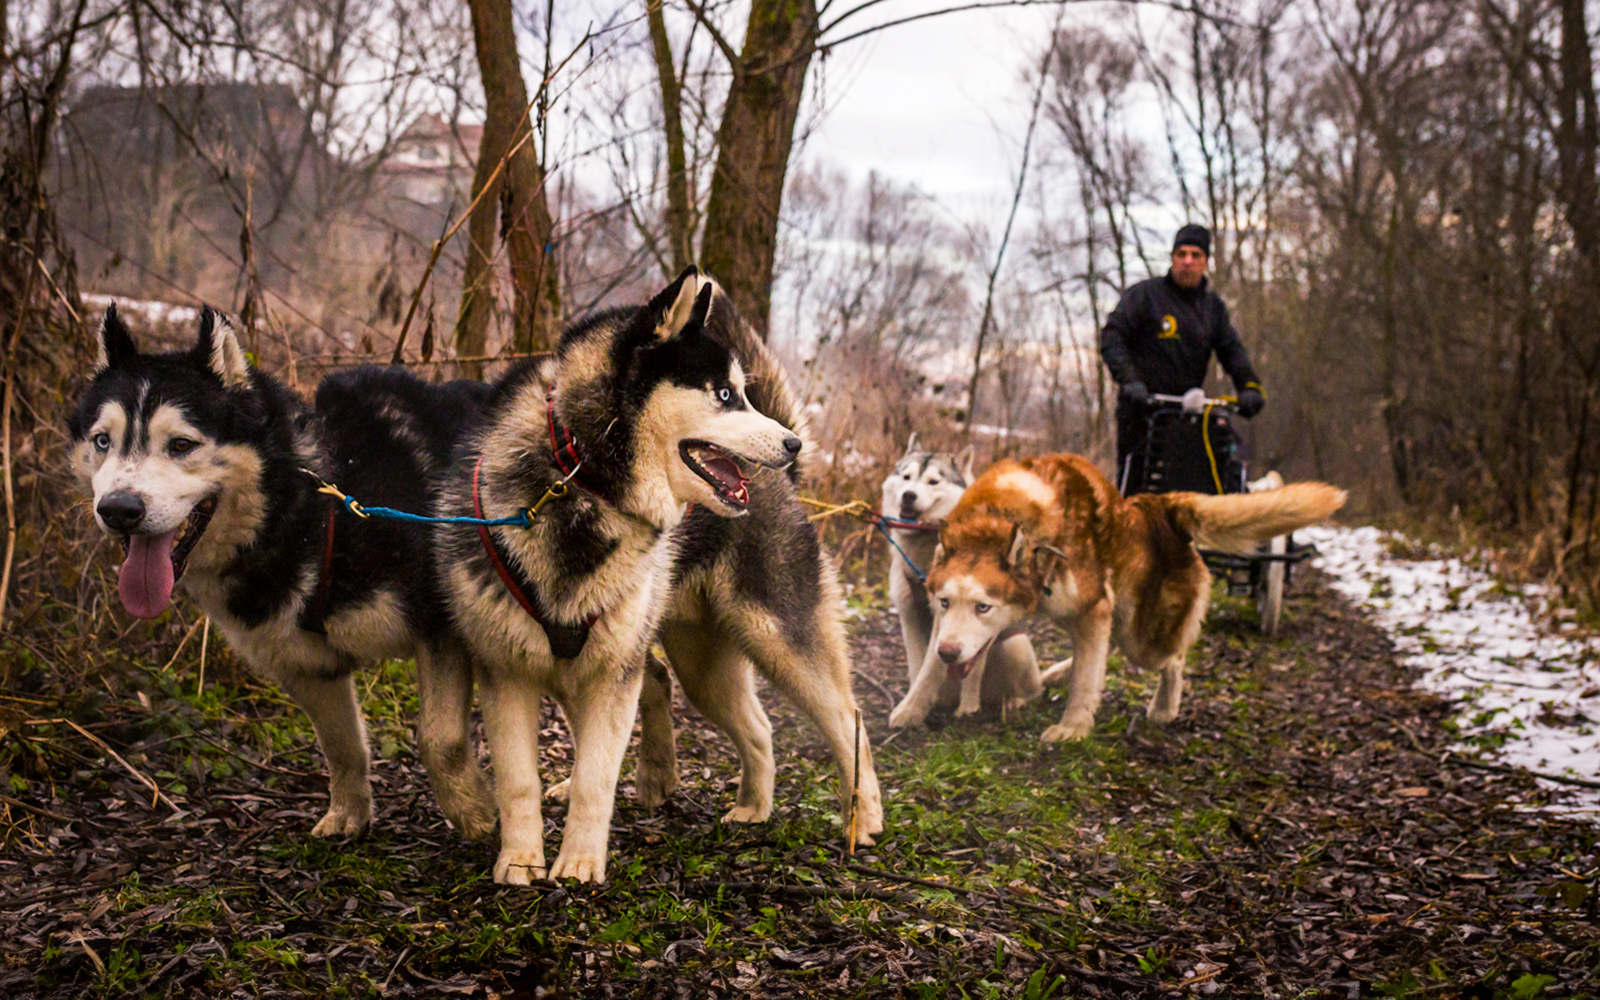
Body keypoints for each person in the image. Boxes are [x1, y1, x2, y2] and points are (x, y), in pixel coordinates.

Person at [1100, 223, 1265, 490]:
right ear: (1172, 258)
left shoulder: (1213, 309)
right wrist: (1130, 380)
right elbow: (1112, 337)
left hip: (1188, 416)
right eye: (1181, 254)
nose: (1187, 261)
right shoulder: (1145, 296)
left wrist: (1249, 386)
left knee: (1208, 479)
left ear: (1206, 262)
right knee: (1135, 491)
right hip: (1142, 413)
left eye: (1195, 255)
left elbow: (1232, 351)